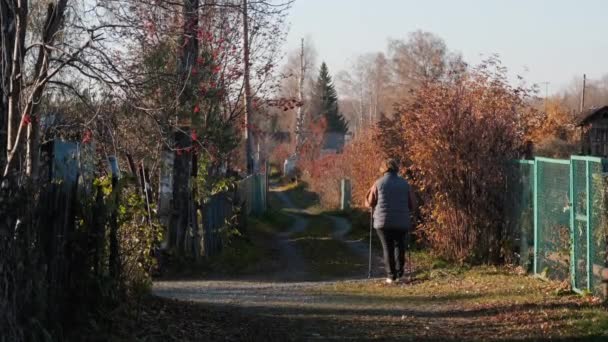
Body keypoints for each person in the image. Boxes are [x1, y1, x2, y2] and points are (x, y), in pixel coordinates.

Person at [365, 158, 416, 284]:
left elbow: (370, 202)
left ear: (383, 169)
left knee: (387, 247)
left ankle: (390, 276)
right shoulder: (405, 184)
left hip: (383, 222)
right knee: (400, 246)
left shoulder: (378, 183)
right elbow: (413, 204)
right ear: (396, 168)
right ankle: (400, 274)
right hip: (401, 221)